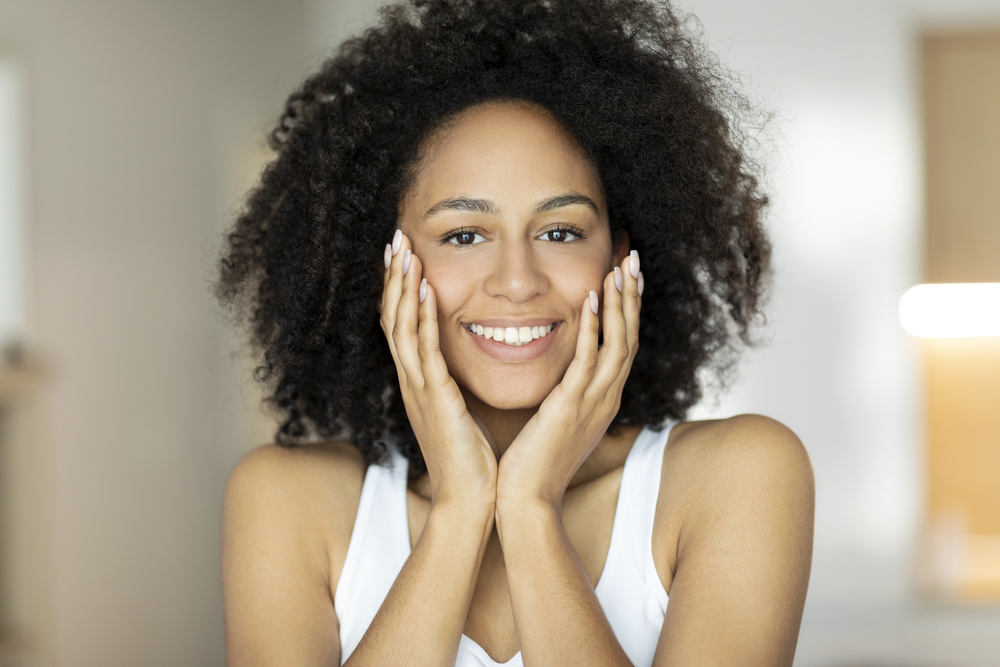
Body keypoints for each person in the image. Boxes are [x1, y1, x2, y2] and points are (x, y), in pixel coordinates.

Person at [216, 0, 815, 665]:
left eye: (560, 231)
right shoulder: (287, 499)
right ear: (380, 263)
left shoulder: (739, 473)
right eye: (464, 235)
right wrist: (461, 509)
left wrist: (530, 508)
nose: (518, 279)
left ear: (620, 258)